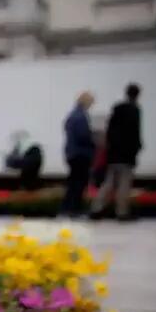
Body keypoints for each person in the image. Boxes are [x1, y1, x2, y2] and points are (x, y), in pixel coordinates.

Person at [91, 83, 142, 220]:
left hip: (113, 155)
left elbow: (109, 131)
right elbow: (135, 133)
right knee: (124, 184)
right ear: (137, 95)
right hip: (127, 155)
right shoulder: (135, 110)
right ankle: (122, 212)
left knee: (108, 183)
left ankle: (96, 208)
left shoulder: (117, 109)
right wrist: (137, 149)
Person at [62, 91, 95, 217]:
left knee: (72, 183)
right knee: (79, 183)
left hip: (72, 153)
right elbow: (83, 136)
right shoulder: (81, 116)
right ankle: (75, 209)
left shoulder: (72, 115)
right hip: (81, 154)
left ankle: (67, 208)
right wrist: (93, 141)